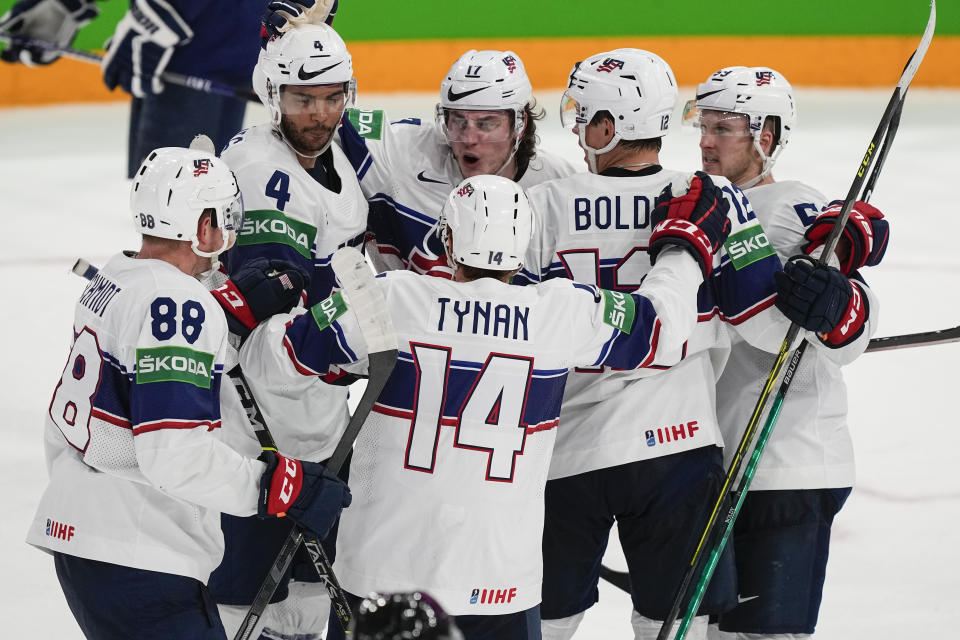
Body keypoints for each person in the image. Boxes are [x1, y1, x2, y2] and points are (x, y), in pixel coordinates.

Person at [241, 172, 734, 639]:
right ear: (520, 253)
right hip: (500, 582)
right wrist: (684, 247)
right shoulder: (558, 313)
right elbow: (661, 329)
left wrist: (266, 310)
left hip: (380, 569)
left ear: (449, 241)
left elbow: (271, 363)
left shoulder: (391, 300)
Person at [516, 49, 799, 640]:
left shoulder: (540, 206)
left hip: (565, 454)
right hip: (677, 448)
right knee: (676, 627)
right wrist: (827, 275)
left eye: (584, 113)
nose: (576, 126)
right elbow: (771, 328)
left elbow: (507, 329)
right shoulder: (715, 196)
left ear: (607, 127)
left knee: (545, 620)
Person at [24, 146, 351, 640]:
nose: (229, 233)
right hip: (138, 552)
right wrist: (279, 487)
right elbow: (174, 455)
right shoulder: (178, 303)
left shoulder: (114, 278)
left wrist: (227, 311)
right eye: (224, 217)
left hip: (83, 535)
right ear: (202, 227)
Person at [686, 66, 885, 640]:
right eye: (704, 125)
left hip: (784, 462)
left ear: (765, 137)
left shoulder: (789, 204)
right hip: (717, 462)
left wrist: (837, 307)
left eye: (723, 128)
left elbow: (853, 321)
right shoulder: (701, 203)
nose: (705, 140)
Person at [210, 20, 368, 640]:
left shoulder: (332, 167)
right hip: (255, 426)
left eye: (333, 98)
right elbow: (270, 306)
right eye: (305, 99)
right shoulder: (263, 171)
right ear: (273, 95)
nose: (321, 113)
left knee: (307, 600)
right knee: (245, 603)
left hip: (315, 420)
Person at [0, 0, 337, 177]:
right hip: (224, 37)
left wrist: (162, 13)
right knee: (200, 200)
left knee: (178, 204)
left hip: (196, 42)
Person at [334, 48, 578, 276]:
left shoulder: (560, 188)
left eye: (486, 123)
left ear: (519, 124)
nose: (469, 138)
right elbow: (320, 123)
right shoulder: (402, 153)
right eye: (458, 121)